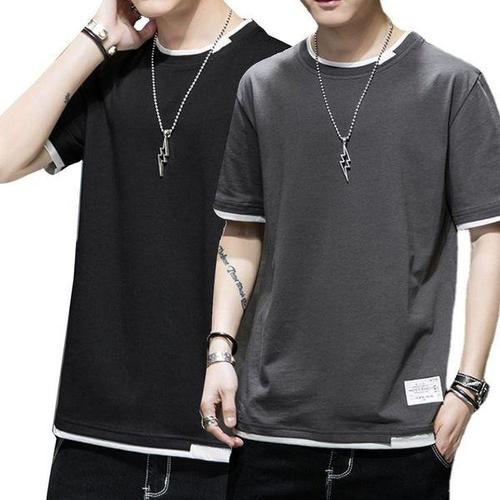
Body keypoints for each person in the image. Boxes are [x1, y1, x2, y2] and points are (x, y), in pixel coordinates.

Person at [200, 0, 500, 498]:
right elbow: (241, 230)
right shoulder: (263, 85)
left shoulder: (451, 84)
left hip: (403, 436)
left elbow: (489, 239)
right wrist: (218, 353)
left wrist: (468, 387)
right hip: (270, 432)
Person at [0, 0, 287, 498]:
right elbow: (5, 158)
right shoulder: (113, 71)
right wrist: (96, 37)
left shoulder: (277, 73)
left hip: (229, 438)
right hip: (95, 439)